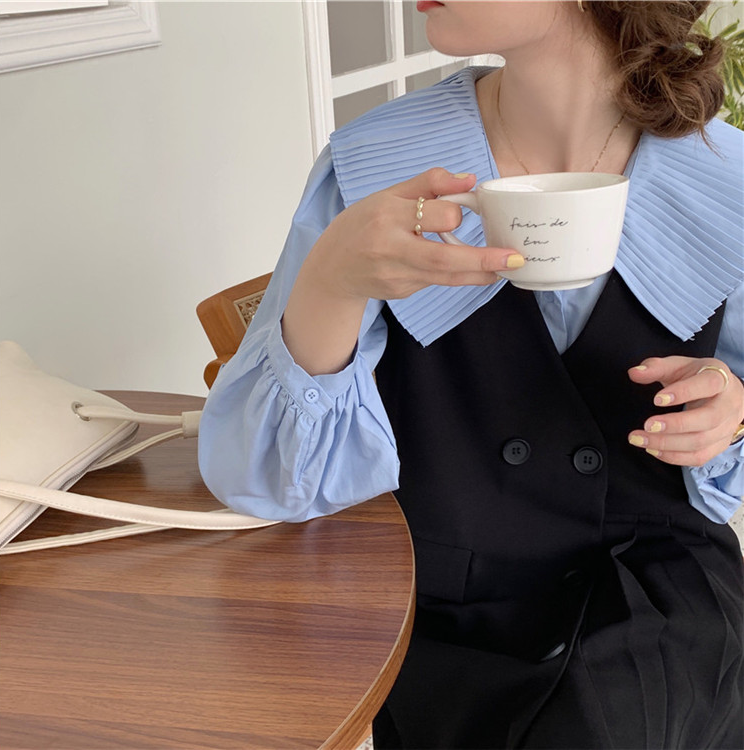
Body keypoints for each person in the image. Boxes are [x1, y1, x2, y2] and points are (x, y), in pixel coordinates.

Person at [199, 1, 744, 747]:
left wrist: (730, 410)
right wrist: (329, 281)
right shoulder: (381, 164)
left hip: (659, 594)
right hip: (448, 616)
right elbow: (266, 481)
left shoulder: (721, 178)